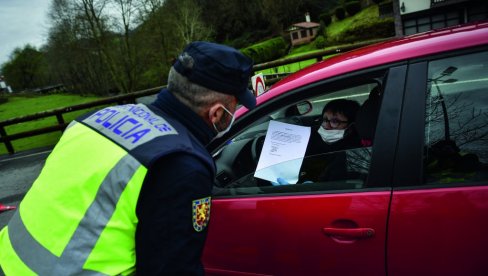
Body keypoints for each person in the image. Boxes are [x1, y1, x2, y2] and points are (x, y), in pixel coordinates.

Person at [0, 41, 255, 275]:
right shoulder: (181, 164)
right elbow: (172, 270)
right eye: (235, 105)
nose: (235, 112)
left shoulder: (97, 118)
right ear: (216, 113)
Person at [273, 99, 360, 185]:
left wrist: (311, 188)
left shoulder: (353, 155)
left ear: (351, 126)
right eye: (325, 119)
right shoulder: (315, 140)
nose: (326, 126)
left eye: (335, 121)